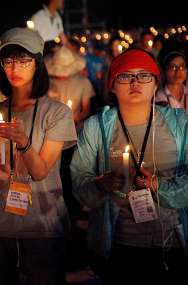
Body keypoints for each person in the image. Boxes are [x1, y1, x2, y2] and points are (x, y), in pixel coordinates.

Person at [70, 48, 188, 284]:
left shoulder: (180, 123)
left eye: (144, 75)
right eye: (124, 76)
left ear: (156, 83)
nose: (135, 81)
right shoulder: (97, 127)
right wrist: (100, 184)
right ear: (112, 86)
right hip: (119, 243)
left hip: (172, 241)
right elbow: (78, 179)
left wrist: (157, 185)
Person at [0, 27, 77, 285]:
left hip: (42, 226)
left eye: (23, 60)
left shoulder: (56, 113)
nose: (15, 67)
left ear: (38, 64)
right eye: (8, 60)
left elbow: (40, 172)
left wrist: (23, 142)